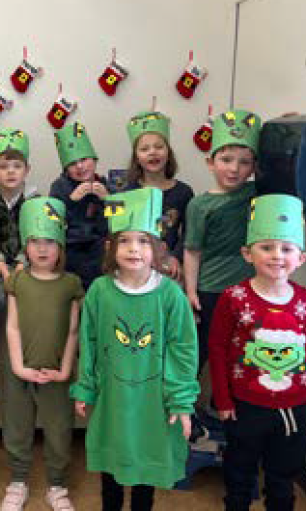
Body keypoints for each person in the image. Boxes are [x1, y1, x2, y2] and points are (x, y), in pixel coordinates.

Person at [71, 187, 199, 511]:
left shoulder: (170, 295)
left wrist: (181, 402)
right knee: (112, 468)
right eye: (124, 240)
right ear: (110, 246)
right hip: (112, 399)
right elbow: (89, 341)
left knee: (145, 469)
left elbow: (183, 351)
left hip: (152, 403)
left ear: (158, 248)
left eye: (143, 241)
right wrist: (85, 387)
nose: (133, 249)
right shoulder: (100, 291)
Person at [209, 194, 306, 511]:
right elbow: (218, 350)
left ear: (300, 258)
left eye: (286, 249)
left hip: (294, 410)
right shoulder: (232, 297)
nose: (277, 256)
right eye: (266, 247)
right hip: (244, 407)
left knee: (281, 482)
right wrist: (222, 399)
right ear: (247, 253)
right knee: (238, 478)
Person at [0, 197, 83, 511]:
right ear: (25, 244)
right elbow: (12, 327)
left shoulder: (71, 284)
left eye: (50, 241)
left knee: (59, 430)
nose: (43, 249)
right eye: (34, 241)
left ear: (61, 246)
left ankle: (57, 485)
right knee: (17, 426)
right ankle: (18, 480)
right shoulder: (18, 280)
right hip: (19, 369)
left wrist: (64, 371)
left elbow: (73, 331)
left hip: (57, 372)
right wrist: (19, 367)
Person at [184, 110, 263, 370]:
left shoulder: (256, 193)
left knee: (241, 352)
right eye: (226, 159)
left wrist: (279, 136)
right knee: (202, 349)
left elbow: (284, 170)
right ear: (210, 162)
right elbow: (192, 251)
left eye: (244, 162)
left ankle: (224, 408)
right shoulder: (199, 205)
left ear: (254, 167)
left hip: (249, 289)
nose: (234, 169)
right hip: (211, 290)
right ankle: (182, 407)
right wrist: (191, 291)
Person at [0, 128, 38, 353]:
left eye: (17, 166)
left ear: (27, 170)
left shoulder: (34, 201)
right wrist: (4, 272)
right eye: (3, 167)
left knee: (31, 296)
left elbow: (32, 237)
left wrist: (21, 266)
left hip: (27, 262)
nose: (11, 172)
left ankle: (28, 350)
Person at [124, 111, 193, 281]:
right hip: (135, 266)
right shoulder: (128, 192)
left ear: (168, 152)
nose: (152, 152)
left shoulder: (183, 192)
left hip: (168, 268)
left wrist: (175, 257)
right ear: (137, 158)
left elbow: (188, 232)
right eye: (144, 149)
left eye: (159, 147)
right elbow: (119, 232)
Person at [49, 121, 109, 289]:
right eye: (72, 163)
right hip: (71, 252)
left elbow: (118, 222)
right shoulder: (60, 186)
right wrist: (71, 201)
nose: (80, 166)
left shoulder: (105, 184)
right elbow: (54, 225)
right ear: (65, 168)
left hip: (100, 253)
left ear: (95, 160)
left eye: (84, 159)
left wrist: (107, 200)